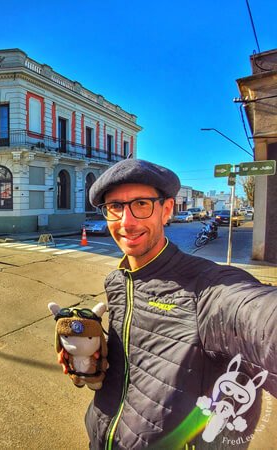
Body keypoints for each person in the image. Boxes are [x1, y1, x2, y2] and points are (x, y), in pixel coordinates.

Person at [75, 158, 276, 449]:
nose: (126, 222)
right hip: (102, 438)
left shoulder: (208, 286)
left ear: (166, 210)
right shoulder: (117, 281)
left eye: (141, 204)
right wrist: (92, 359)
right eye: (115, 207)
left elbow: (259, 317)